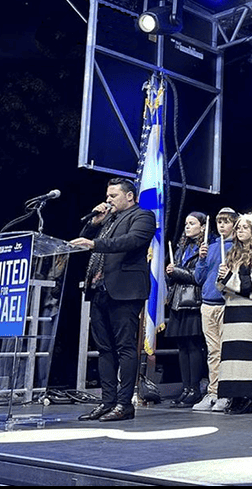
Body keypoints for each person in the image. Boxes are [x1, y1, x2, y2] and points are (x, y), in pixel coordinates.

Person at [70, 177, 156, 422]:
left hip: (125, 290)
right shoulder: (109, 219)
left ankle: (124, 403)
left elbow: (132, 241)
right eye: (107, 196)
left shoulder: (143, 216)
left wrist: (95, 242)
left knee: (125, 348)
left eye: (113, 196)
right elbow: (83, 242)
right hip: (100, 289)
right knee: (104, 349)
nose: (108, 200)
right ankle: (107, 402)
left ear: (129, 196)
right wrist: (94, 225)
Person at [216, 212, 252, 415]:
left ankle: (247, 396)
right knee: (231, 355)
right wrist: (224, 279)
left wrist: (230, 279)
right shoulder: (232, 254)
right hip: (233, 308)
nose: (239, 230)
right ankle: (234, 396)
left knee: (247, 355)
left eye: (244, 227)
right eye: (238, 227)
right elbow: (223, 287)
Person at [192, 206, 237, 413]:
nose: (222, 225)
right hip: (208, 303)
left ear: (234, 224)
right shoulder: (210, 247)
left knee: (227, 351)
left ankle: (226, 393)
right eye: (219, 221)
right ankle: (213, 391)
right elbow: (199, 279)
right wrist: (201, 259)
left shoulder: (238, 247)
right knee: (213, 352)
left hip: (226, 303)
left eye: (226, 221)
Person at [164, 211, 208, 408]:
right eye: (186, 223)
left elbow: (198, 276)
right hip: (177, 301)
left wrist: (177, 272)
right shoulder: (182, 247)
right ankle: (186, 388)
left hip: (192, 302)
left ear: (203, 226)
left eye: (192, 223)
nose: (187, 226)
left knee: (193, 346)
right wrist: (169, 273)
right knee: (182, 347)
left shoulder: (205, 248)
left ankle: (195, 389)